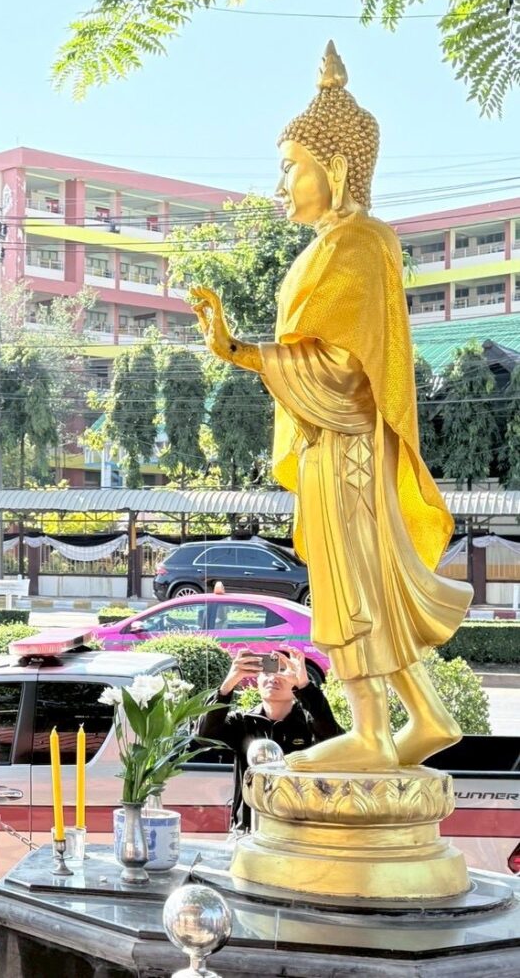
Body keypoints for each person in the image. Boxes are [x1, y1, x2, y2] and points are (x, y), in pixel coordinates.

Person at [191, 42, 472, 772]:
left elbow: (348, 372)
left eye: (292, 166)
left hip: (347, 447)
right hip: (331, 451)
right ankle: (425, 714)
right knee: (358, 580)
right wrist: (244, 350)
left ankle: (373, 729)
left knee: (354, 588)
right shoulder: (328, 247)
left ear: (337, 169)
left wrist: (243, 351)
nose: (281, 182)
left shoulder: (359, 243)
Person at [197, 647, 343, 831]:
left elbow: (335, 741)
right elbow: (204, 737)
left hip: (298, 830)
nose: (273, 678)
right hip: (249, 830)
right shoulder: (243, 722)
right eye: (267, 671)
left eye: (283, 671)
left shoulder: (309, 722)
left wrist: (305, 686)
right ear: (257, 679)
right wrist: (227, 686)